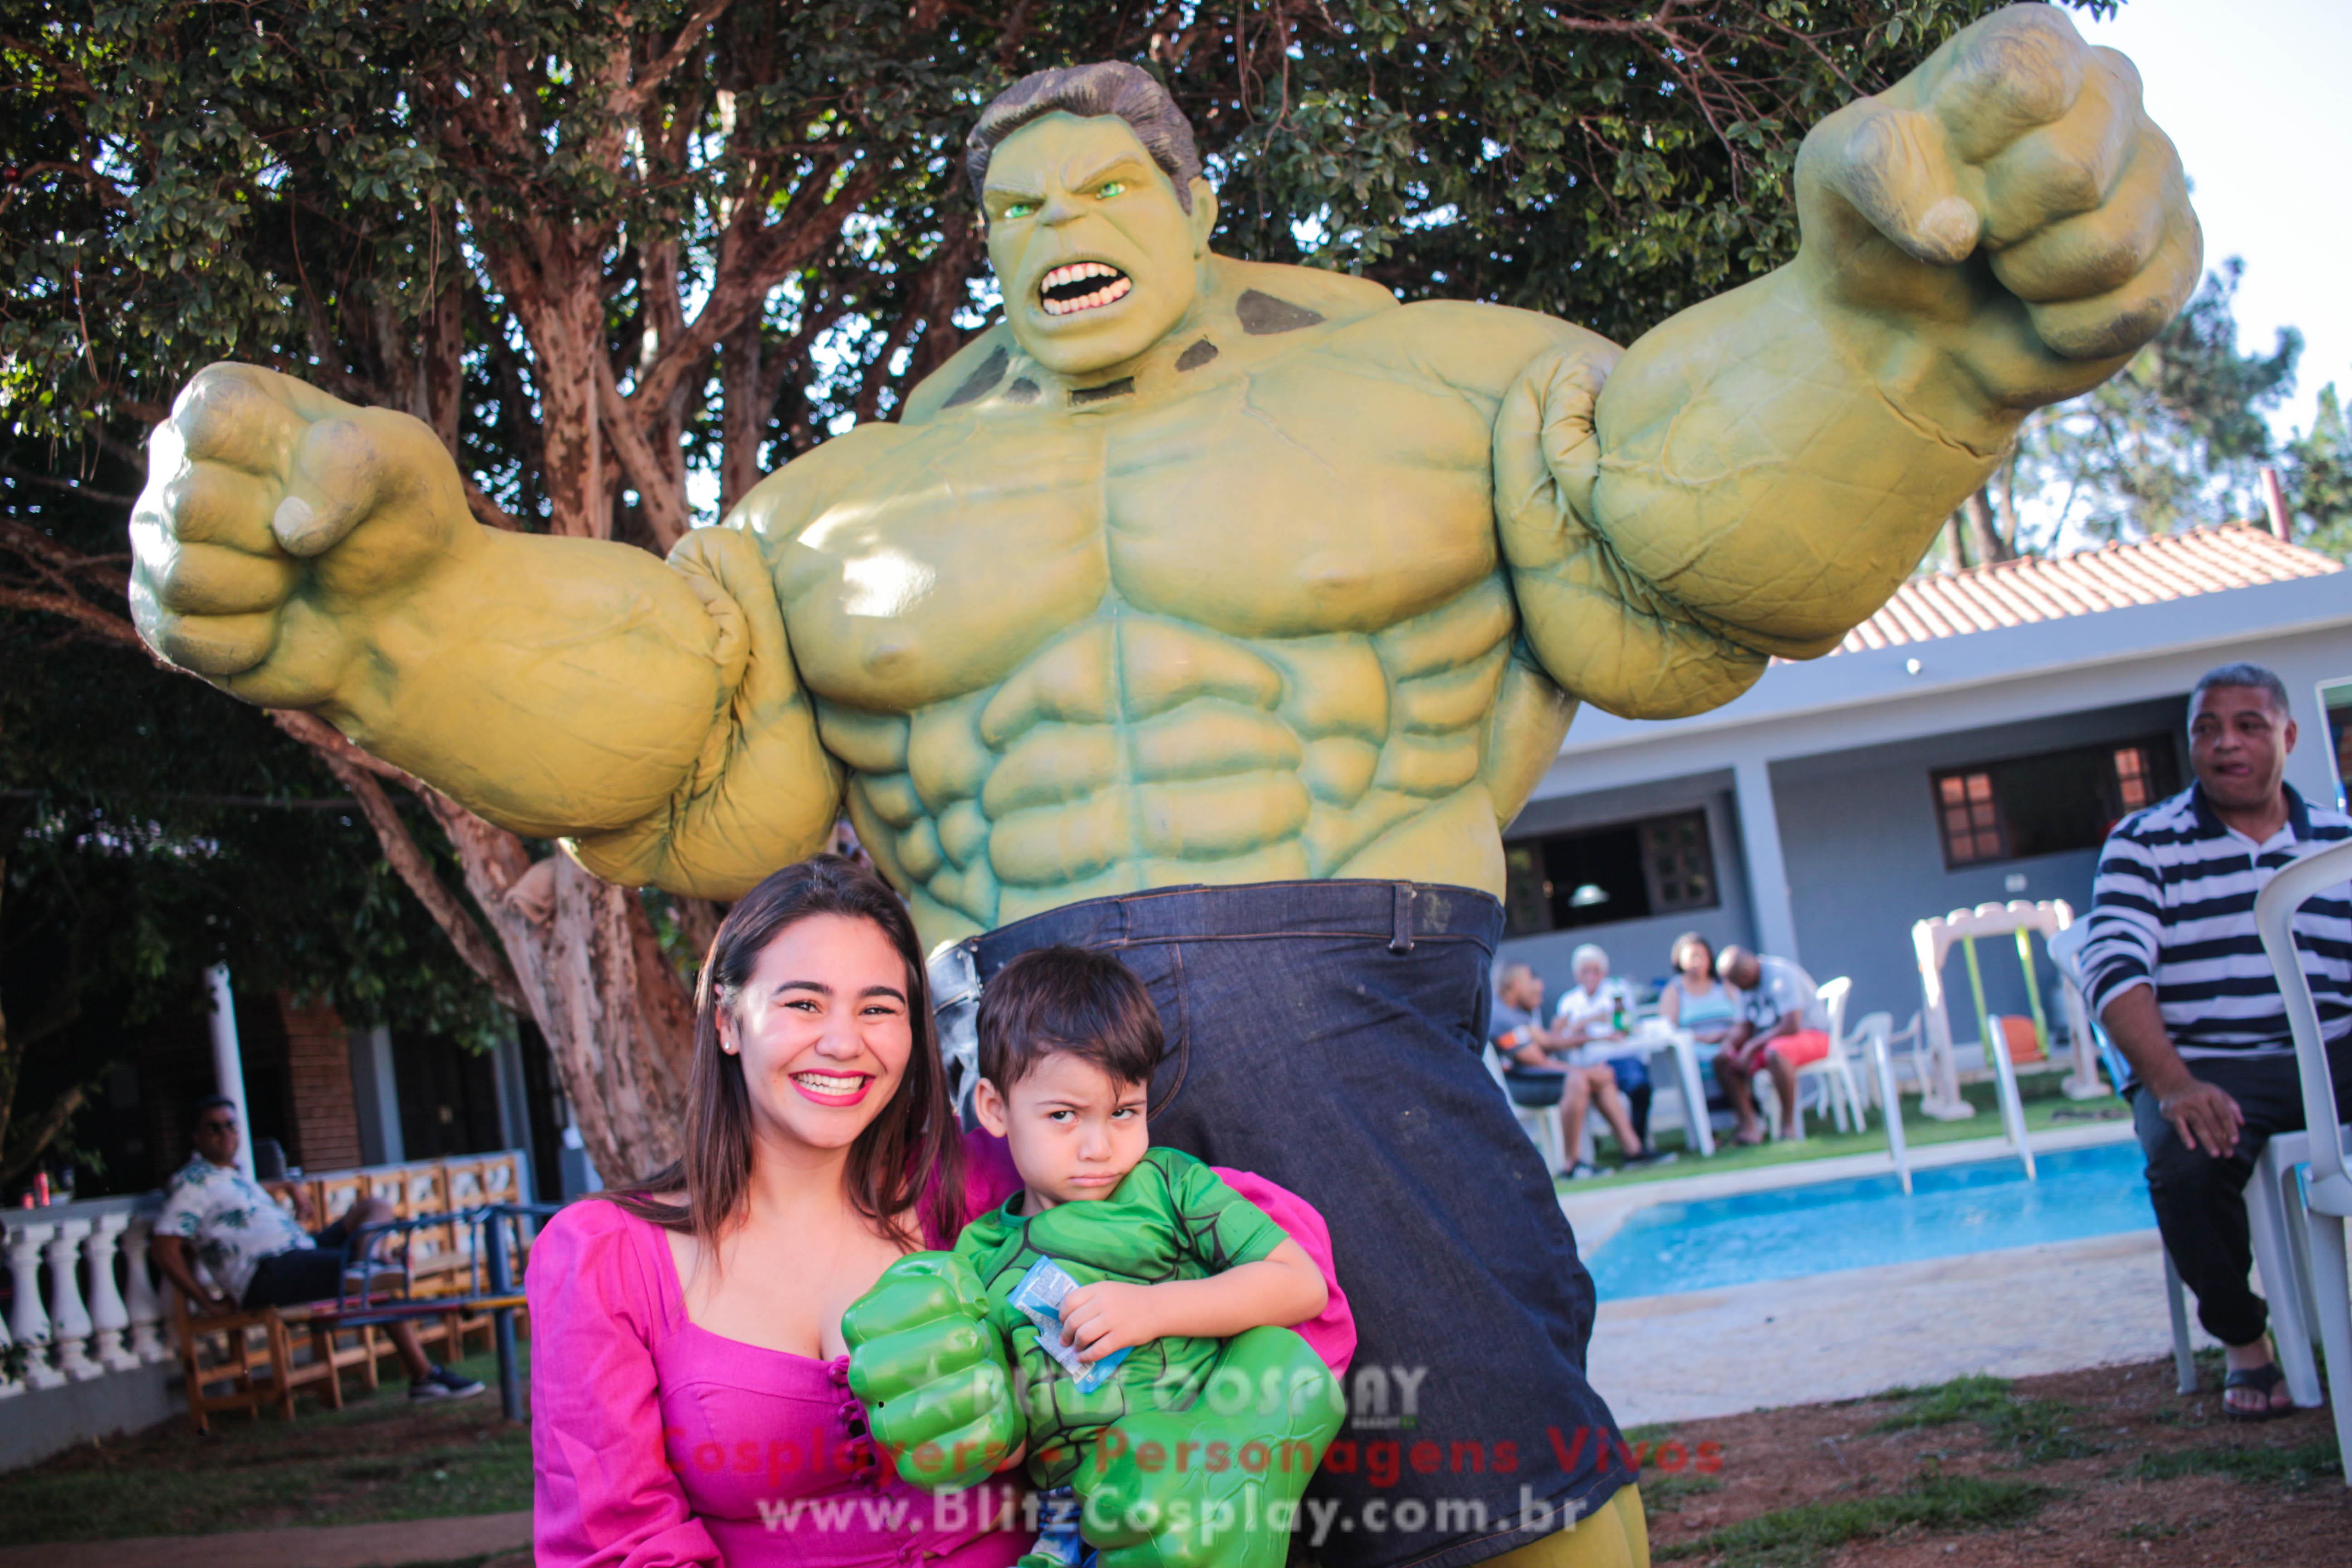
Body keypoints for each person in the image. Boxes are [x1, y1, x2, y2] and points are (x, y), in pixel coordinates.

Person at [132, 16, 2195, 1558]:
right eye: (1011, 211)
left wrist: (1895, 342)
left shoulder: (1436, 383)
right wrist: (402, 621)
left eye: (1097, 191)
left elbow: (1681, 554)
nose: (1052, 232)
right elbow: (691, 768)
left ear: (1193, 203)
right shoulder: (845, 511)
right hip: (1006, 1062)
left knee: (1475, 1473)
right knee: (1056, 1510)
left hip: (1351, 1022)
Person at [527, 857, 1352, 1566]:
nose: (844, 1041)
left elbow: (1269, 1269)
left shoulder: (990, 1188)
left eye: (878, 1008)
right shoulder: (605, 1257)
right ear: (727, 1022)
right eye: (803, 1004)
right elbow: (618, 1541)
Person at [850, 946, 1338, 1568]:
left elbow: (1298, 1284)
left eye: (1124, 1113)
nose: (1098, 1147)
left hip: (1191, 1493)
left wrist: (1153, 1309)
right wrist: (976, 1424)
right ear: (996, 1110)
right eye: (1063, 1116)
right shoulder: (980, 1254)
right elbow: (1016, 1436)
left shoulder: (1167, 1187)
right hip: (1066, 1516)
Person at [2082, 663, 2352, 1422]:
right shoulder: (2143, 844)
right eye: (2206, 728)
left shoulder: (2338, 840)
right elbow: (2110, 968)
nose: (2223, 743)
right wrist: (2169, 1082)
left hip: (2331, 1052)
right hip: (2204, 1061)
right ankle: (2244, 1343)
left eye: (2247, 725)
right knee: (2184, 1161)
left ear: (2287, 737)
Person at [150, 1098, 484, 1402]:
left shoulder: (228, 1176)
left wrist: (287, 1187)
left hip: (301, 1252)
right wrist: (207, 1304)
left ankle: (367, 1263)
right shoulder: (191, 1182)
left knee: (374, 1206)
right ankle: (423, 1371)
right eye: (214, 1128)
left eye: (231, 1125)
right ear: (196, 1138)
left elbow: (228, 1197)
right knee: (382, 1278)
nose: (225, 1133)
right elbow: (164, 1248)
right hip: (269, 1272)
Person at [1492, 962, 1644, 1178]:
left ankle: (1634, 1151)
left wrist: (1597, 1037)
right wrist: (1584, 1072)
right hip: (1516, 1087)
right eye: (1532, 981)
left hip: (1534, 1078)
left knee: (1600, 1078)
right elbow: (1536, 1061)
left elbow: (1548, 1040)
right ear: (1516, 984)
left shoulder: (1516, 1013)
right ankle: (1572, 1164)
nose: (1538, 986)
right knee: (1577, 1081)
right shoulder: (1501, 1017)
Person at [1714, 947, 1833, 1147]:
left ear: (1745, 975)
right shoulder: (1744, 987)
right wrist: (1730, 1044)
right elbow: (1745, 1026)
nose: (1733, 987)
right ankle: (1750, 1127)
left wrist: (1751, 1048)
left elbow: (1791, 1025)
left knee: (1776, 1052)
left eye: (1734, 982)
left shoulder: (1781, 976)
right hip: (1771, 1042)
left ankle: (1789, 1127)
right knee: (1723, 1061)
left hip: (1812, 1036)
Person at [1552, 944, 1653, 1147]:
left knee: (1640, 1086)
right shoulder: (1569, 1001)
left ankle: (1637, 1144)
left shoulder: (1617, 990)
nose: (1591, 976)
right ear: (1576, 975)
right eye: (1585, 971)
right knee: (1599, 1085)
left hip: (1622, 1058)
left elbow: (1627, 1025)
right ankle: (1633, 1148)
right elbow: (1560, 1036)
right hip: (1588, 1065)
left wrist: (1583, 1025)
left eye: (1595, 971)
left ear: (1604, 972)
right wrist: (1593, 1021)